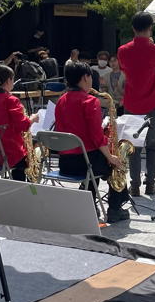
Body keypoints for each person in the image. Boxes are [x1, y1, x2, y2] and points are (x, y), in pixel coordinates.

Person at [55, 61, 128, 223]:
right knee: (117, 163)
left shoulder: (61, 100)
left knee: (96, 158)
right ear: (85, 77)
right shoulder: (90, 101)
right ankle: (115, 208)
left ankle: (90, 204)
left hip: (65, 162)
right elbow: (96, 137)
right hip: (86, 163)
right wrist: (111, 157)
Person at [118, 11, 155, 196]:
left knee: (133, 146)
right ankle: (150, 184)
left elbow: (124, 69)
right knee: (152, 145)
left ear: (133, 28)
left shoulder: (123, 50)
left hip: (131, 102)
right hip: (152, 101)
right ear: (150, 28)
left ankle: (134, 185)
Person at [0, 64, 39, 181]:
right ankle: (21, 185)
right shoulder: (11, 101)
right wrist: (33, 118)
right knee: (27, 157)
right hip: (8, 153)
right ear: (8, 80)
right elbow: (23, 125)